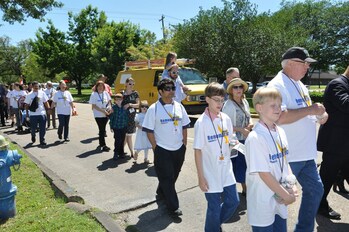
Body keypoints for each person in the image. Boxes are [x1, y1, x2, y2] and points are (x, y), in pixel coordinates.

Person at [267, 47, 327, 232]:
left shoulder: (299, 84)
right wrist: (311, 110)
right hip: (288, 156)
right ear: (291, 63)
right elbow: (280, 117)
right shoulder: (277, 85)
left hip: (306, 154)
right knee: (281, 200)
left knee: (316, 190)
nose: (307, 67)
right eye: (305, 63)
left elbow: (303, 111)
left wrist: (318, 116)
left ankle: (303, 229)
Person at [245, 87, 298, 232]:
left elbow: (285, 162)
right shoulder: (255, 138)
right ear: (259, 108)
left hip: (280, 198)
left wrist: (292, 186)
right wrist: (286, 195)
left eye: (279, 105)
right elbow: (264, 174)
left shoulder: (280, 131)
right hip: (263, 201)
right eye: (273, 105)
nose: (278, 109)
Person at [194, 82, 240, 232]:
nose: (220, 103)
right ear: (207, 99)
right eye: (216, 100)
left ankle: (213, 226)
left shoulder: (225, 118)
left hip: (226, 169)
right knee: (213, 208)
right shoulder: (201, 123)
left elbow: (229, 139)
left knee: (233, 202)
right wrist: (201, 177)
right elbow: (197, 151)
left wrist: (233, 143)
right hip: (210, 172)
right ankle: (213, 227)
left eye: (222, 100)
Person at [142, 78, 190, 217]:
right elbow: (149, 130)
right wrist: (155, 147)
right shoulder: (154, 108)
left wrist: (184, 144)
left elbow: (185, 125)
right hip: (162, 149)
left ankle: (161, 190)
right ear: (160, 92)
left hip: (179, 148)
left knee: (174, 174)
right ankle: (173, 207)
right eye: (167, 89)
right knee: (168, 177)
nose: (171, 91)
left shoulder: (179, 106)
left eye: (173, 88)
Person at [317, 65, 349, 220]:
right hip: (335, 143)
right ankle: (320, 205)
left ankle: (339, 179)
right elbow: (346, 104)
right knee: (326, 177)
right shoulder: (337, 84)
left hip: (344, 143)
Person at [222, 78, 253, 196]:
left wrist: (250, 124)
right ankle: (236, 190)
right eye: (235, 87)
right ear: (231, 90)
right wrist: (241, 130)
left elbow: (248, 116)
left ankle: (245, 189)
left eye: (240, 87)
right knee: (236, 165)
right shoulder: (228, 105)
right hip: (235, 141)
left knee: (245, 164)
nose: (238, 89)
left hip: (245, 139)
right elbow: (226, 125)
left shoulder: (244, 102)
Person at [24, 81, 50, 146]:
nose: (36, 88)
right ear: (32, 87)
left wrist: (49, 109)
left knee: (42, 128)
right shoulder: (29, 95)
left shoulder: (42, 93)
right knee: (33, 128)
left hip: (42, 113)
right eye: (35, 87)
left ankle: (42, 140)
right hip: (33, 114)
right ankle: (33, 135)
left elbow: (46, 102)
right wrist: (27, 114)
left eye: (37, 87)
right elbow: (26, 105)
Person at [89, 80, 112, 152]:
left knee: (102, 129)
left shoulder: (105, 93)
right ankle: (103, 145)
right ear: (96, 87)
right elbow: (94, 106)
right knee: (102, 129)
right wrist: (102, 111)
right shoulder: (94, 94)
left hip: (106, 114)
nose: (100, 87)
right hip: (98, 114)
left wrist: (109, 107)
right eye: (99, 86)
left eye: (102, 86)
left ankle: (101, 142)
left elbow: (109, 102)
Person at [122, 77, 140, 158]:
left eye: (133, 84)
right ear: (125, 84)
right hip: (123, 118)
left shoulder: (135, 93)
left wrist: (130, 104)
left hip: (131, 117)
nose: (131, 85)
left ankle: (130, 152)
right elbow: (117, 104)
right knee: (125, 135)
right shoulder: (121, 93)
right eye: (130, 84)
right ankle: (121, 150)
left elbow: (138, 104)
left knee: (128, 135)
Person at [109, 93, 128, 160]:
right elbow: (111, 117)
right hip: (116, 126)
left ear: (122, 100)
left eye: (120, 100)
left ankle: (121, 153)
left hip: (123, 126)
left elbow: (126, 117)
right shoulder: (114, 108)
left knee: (122, 140)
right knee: (118, 140)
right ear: (114, 101)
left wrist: (127, 125)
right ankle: (116, 152)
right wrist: (111, 126)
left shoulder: (124, 107)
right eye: (116, 100)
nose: (118, 101)